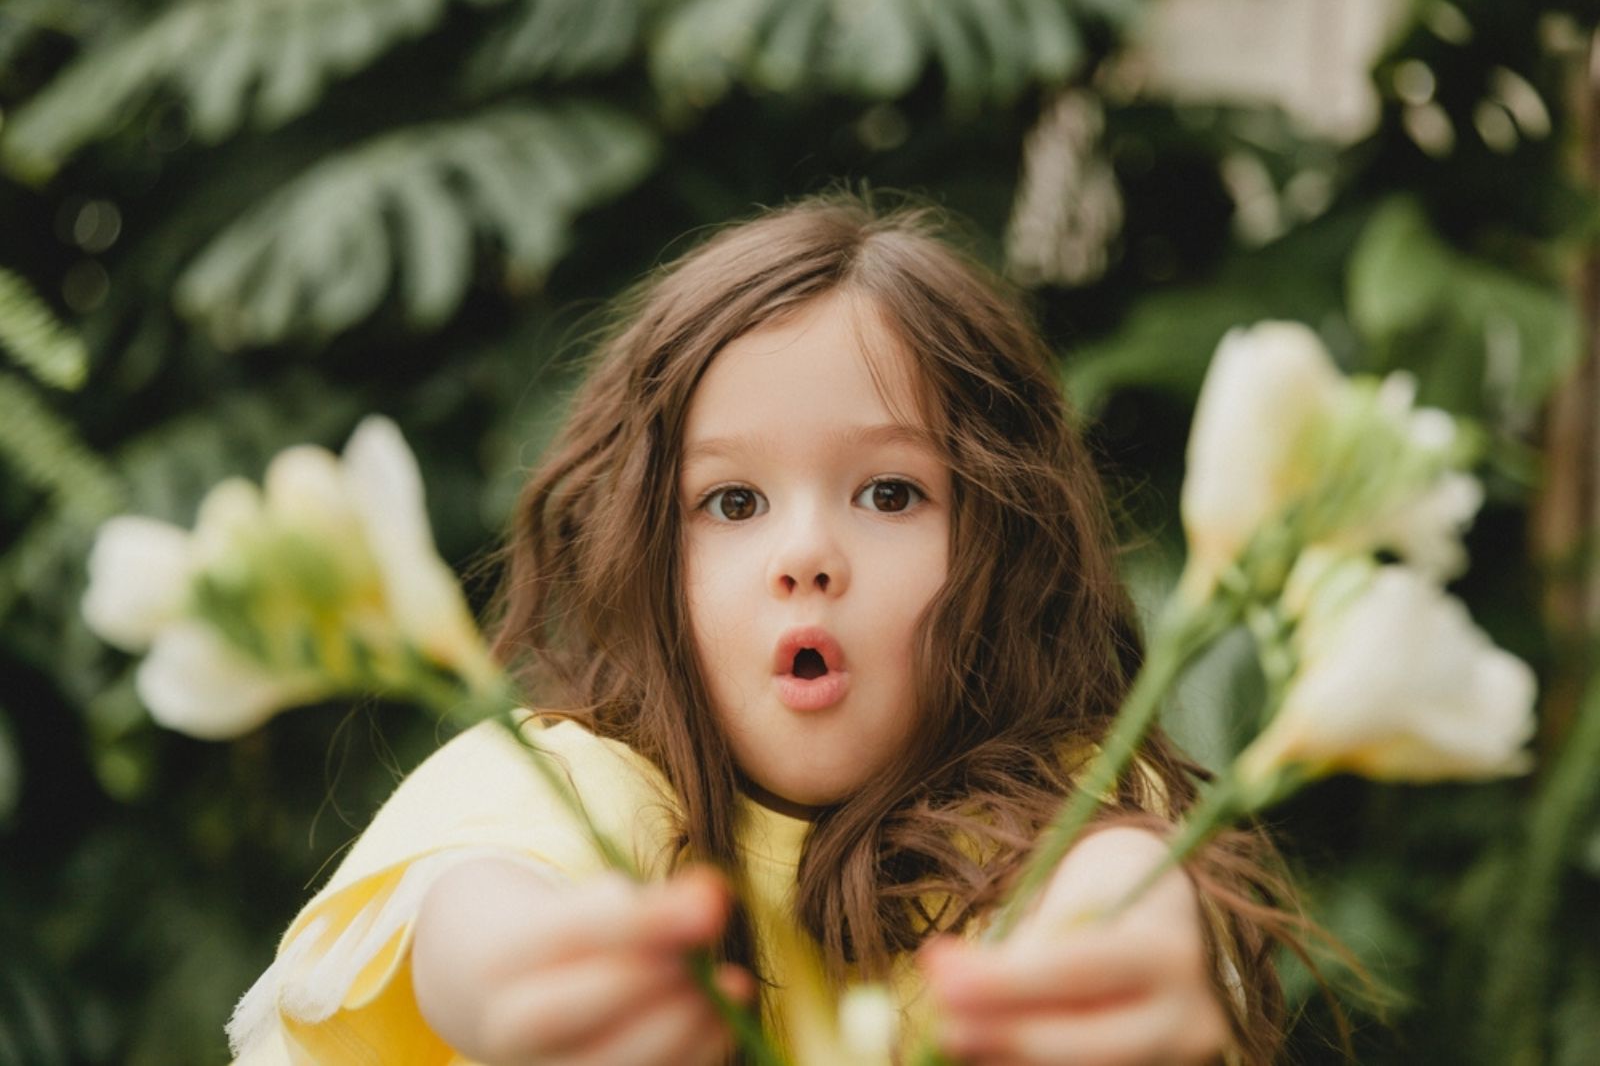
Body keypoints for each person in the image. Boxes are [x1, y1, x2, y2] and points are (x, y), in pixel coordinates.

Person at [227, 192, 1288, 1066]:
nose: (807, 556)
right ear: (649, 553)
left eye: (888, 493)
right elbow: (483, 907)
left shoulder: (1057, 807)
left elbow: (1111, 887)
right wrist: (531, 989)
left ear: (1000, 541)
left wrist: (1122, 953)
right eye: (732, 504)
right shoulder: (578, 780)